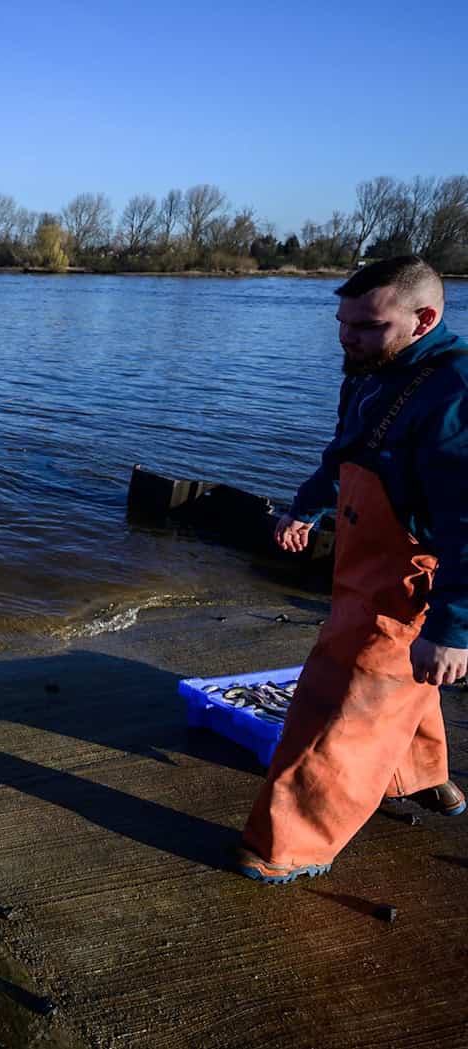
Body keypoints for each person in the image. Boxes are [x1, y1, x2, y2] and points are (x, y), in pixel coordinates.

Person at [236, 255, 468, 884]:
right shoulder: (372, 370)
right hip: (362, 563)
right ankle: (418, 777)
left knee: (340, 705)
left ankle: (288, 844)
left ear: (424, 319)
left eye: (367, 326)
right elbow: (346, 452)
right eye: (342, 322)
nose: (347, 337)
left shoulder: (456, 393)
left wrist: (452, 627)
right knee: (396, 684)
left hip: (411, 581)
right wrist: (305, 508)